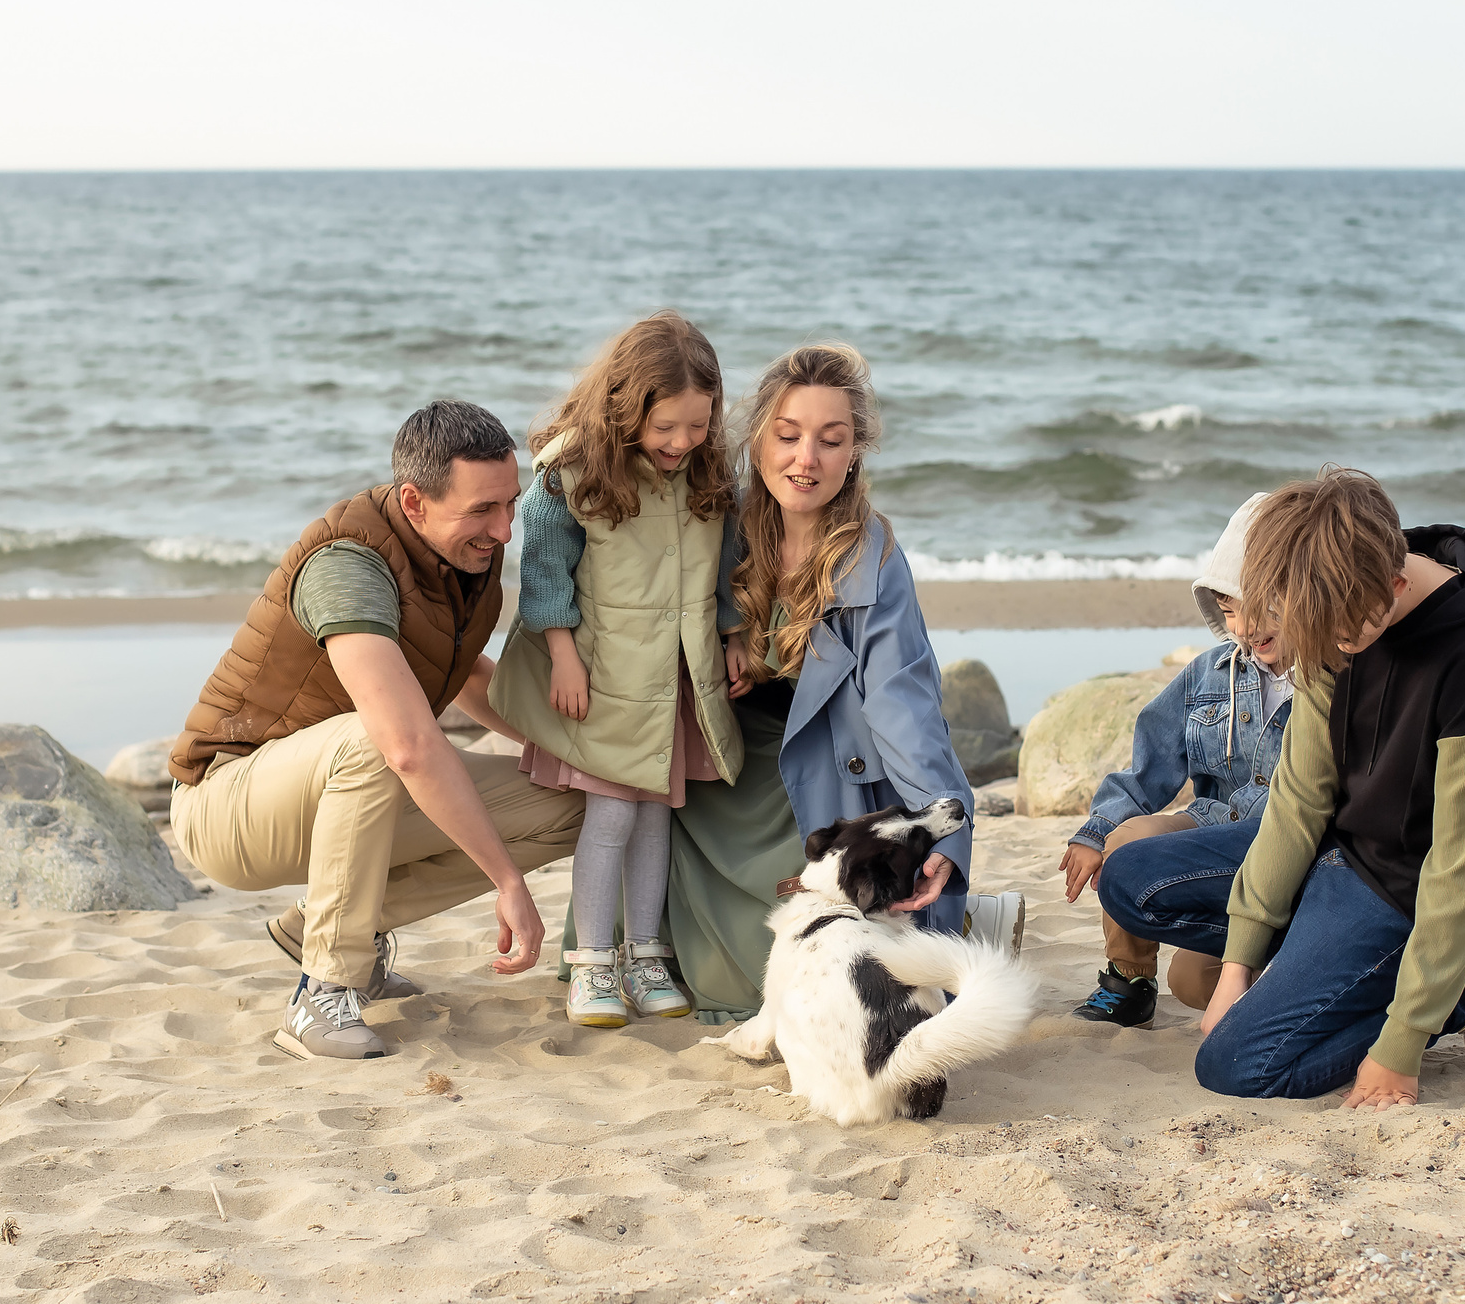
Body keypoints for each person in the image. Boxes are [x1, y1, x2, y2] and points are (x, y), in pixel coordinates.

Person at [1097, 465, 1465, 1106]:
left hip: (1402, 889)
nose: (1327, 652)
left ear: (1394, 586)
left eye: (1341, 639)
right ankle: (1325, 970)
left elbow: (1464, 865)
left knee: (1236, 1068)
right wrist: (1237, 969)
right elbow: (1300, 799)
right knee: (1128, 878)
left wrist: (1402, 1046)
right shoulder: (1331, 593)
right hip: (1332, 852)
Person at [167, 400, 585, 1061]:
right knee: (375, 740)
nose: (505, 530)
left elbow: (467, 676)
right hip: (228, 804)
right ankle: (324, 989)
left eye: (511, 503)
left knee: (573, 797)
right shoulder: (347, 564)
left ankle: (328, 926)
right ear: (415, 502)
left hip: (345, 788)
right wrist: (508, 880)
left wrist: (581, 750)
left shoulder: (462, 561)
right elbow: (407, 745)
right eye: (482, 510)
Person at [662, 342, 1020, 1024]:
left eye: (831, 441)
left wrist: (945, 835)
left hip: (829, 769)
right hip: (743, 756)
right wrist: (727, 641)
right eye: (789, 436)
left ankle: (974, 920)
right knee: (675, 809)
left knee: (797, 974)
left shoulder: (872, 556)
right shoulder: (727, 524)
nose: (807, 459)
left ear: (855, 451)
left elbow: (904, 707)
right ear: (759, 438)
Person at [488, 312, 745, 1028]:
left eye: (696, 426)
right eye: (665, 428)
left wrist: (732, 635)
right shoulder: (572, 473)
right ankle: (593, 962)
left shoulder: (709, 471)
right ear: (627, 406)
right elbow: (544, 573)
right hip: (603, 677)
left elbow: (726, 564)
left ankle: (646, 953)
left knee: (657, 813)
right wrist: (563, 655)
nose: (680, 442)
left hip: (675, 680)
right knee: (610, 815)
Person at [1061, 492, 1290, 1028]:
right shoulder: (1210, 674)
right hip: (1212, 836)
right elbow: (1150, 763)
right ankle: (1129, 979)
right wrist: (1097, 830)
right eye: (1229, 609)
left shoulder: (1336, 678)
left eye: (1256, 604)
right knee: (1190, 983)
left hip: (1288, 847)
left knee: (1196, 983)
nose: (1242, 626)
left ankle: (1296, 973)